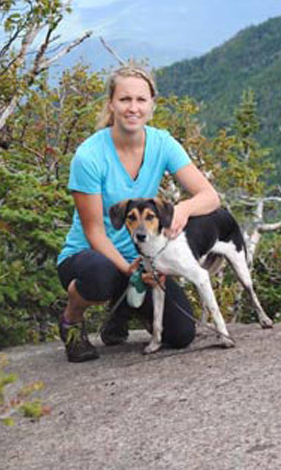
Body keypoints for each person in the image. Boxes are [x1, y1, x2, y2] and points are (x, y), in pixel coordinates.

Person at [56, 64, 220, 362]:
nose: (133, 108)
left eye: (141, 100)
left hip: (145, 257)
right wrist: (131, 269)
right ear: (111, 104)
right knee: (100, 274)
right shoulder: (89, 156)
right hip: (89, 257)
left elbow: (210, 197)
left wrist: (182, 209)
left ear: (152, 105)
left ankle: (122, 312)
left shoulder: (162, 144)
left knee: (181, 334)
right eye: (125, 100)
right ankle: (71, 320)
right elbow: (94, 232)